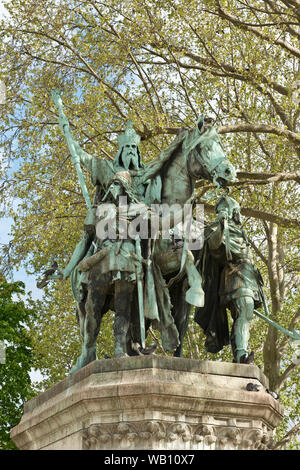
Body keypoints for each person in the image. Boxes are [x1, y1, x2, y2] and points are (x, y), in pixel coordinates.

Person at [194, 195, 263, 363]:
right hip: (234, 276)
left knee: (244, 316)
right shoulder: (215, 228)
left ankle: (240, 354)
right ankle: (241, 354)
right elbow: (214, 245)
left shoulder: (240, 232)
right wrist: (222, 225)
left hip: (248, 277)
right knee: (244, 310)